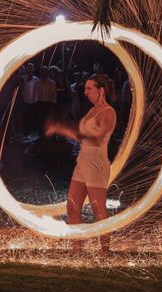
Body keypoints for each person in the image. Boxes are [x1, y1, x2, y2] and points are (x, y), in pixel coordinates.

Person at [45, 74, 117, 254]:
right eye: (85, 88)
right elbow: (81, 134)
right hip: (83, 162)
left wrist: (64, 130)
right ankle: (77, 250)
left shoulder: (108, 112)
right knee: (72, 207)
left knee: (98, 209)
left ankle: (105, 251)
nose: (85, 92)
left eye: (89, 88)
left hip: (96, 164)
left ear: (101, 90)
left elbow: (97, 139)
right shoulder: (91, 111)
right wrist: (64, 127)